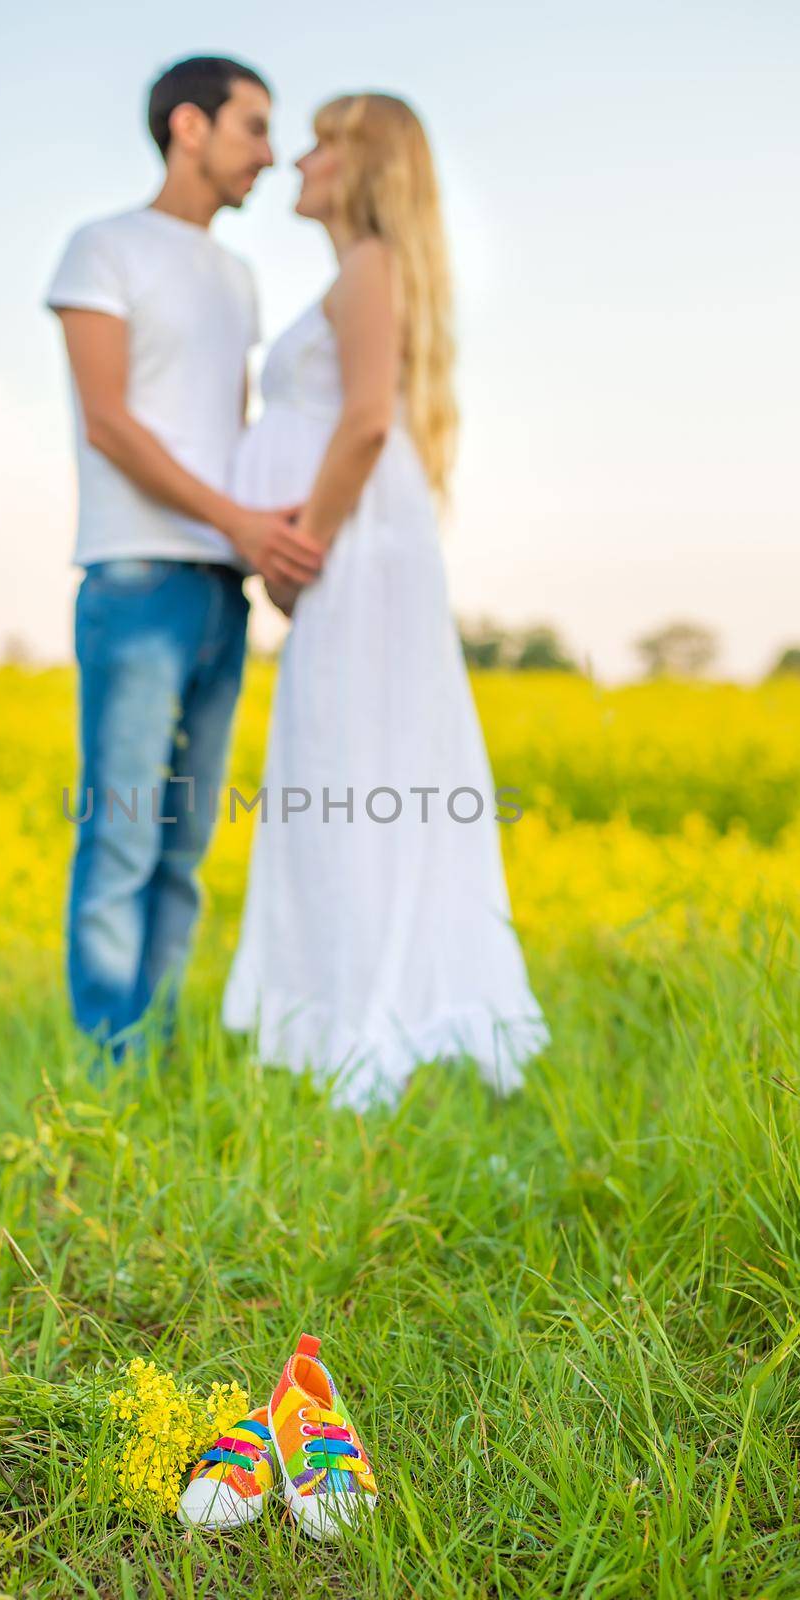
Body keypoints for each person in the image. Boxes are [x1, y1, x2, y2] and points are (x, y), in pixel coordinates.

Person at [222, 92, 551, 1108]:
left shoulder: (368, 267)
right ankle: (352, 993)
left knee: (351, 764)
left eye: (321, 144)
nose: (299, 162)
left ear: (365, 167)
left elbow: (364, 425)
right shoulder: (364, 272)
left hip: (355, 546)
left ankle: (365, 1009)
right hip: (363, 541)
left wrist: (294, 552)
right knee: (359, 765)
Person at [45, 56, 325, 1060]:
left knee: (186, 846)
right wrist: (237, 521)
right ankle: (106, 1071)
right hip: (136, 574)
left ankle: (150, 1049)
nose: (271, 152)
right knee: (122, 832)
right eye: (255, 126)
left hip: (223, 585)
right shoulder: (103, 248)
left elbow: (234, 426)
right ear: (190, 127)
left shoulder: (238, 277)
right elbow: (112, 423)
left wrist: (272, 534)